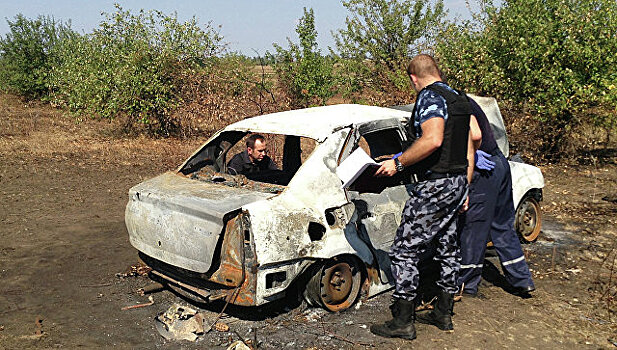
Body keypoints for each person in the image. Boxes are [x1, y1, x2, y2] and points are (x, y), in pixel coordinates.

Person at [370, 54, 477, 340]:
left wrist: (398, 163)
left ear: (414, 78)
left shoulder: (430, 97)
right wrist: (464, 187)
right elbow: (471, 144)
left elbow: (432, 139)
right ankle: (443, 313)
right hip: (456, 181)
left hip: (435, 185)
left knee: (404, 250)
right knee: (447, 246)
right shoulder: (459, 99)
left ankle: (403, 320)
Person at [457, 98, 535, 298]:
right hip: (499, 163)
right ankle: (522, 280)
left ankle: (467, 284)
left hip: (484, 169)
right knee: (502, 225)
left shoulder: (450, 103)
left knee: (474, 228)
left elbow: (474, 134)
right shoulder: (464, 99)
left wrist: (473, 154)